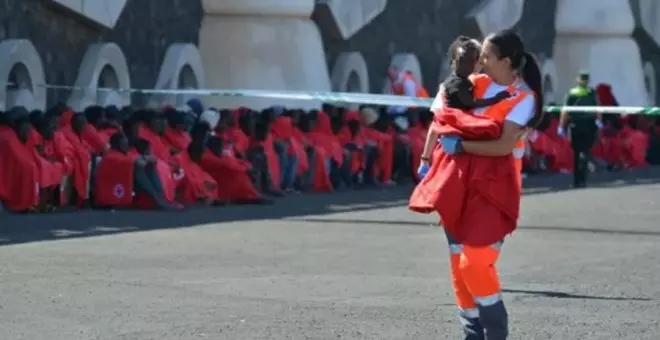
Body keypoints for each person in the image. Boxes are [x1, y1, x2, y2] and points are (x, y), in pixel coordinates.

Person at [414, 30, 544, 340]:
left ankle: (495, 334)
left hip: (495, 189)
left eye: (485, 56)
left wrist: (461, 146)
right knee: (460, 267)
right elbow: (440, 115)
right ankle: (472, 334)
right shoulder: (470, 84)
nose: (479, 61)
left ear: (506, 61)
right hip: (457, 183)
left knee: (476, 263)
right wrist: (428, 156)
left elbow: (501, 147)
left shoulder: (525, 98)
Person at [557, 71, 603, 188]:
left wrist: (561, 126)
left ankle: (577, 180)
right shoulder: (591, 92)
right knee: (585, 151)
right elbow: (598, 108)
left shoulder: (572, 93)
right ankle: (583, 179)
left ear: (578, 79)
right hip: (589, 125)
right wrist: (599, 121)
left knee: (576, 153)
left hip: (575, 125)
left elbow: (565, 111)